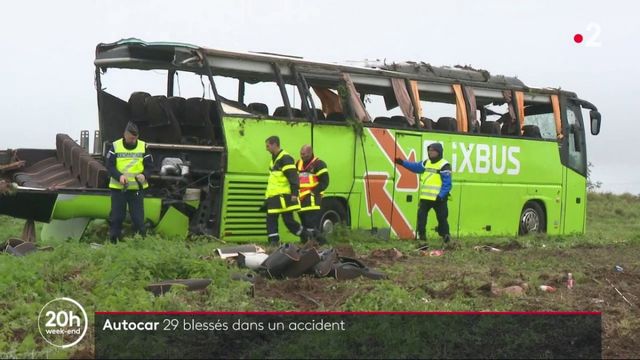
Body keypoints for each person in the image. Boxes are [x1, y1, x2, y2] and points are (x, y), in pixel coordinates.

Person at [395, 142, 452, 246]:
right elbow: (416, 167)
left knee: (442, 218)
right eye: (429, 151)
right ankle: (422, 237)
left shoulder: (445, 165)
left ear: (438, 152)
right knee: (421, 217)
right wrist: (402, 163)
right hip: (425, 198)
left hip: (439, 199)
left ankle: (446, 237)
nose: (430, 153)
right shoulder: (426, 162)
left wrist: (441, 195)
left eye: (432, 151)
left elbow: (447, 184)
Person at [106, 122, 153, 243]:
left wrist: (144, 175)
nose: (133, 140)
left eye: (135, 138)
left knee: (138, 219)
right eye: (131, 138)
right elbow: (109, 166)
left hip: (137, 189)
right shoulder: (115, 146)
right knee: (117, 218)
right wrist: (119, 176)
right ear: (125, 135)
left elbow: (150, 166)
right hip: (119, 189)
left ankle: (140, 243)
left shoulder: (143, 146)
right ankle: (114, 242)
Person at [263, 136, 307, 246]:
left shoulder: (285, 158)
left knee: (289, 222)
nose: (266, 149)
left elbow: (293, 176)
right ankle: (273, 242)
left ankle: (308, 236)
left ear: (274, 145)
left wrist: (294, 194)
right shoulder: (274, 159)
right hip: (274, 197)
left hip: (284, 197)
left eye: (268, 146)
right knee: (271, 219)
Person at [296, 144, 329, 244]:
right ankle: (307, 242)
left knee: (310, 224)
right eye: (301, 154)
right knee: (304, 224)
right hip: (301, 199)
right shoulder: (298, 163)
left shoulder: (319, 164)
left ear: (310, 153)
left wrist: (313, 192)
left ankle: (317, 242)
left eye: (304, 154)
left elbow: (325, 182)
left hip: (313, 199)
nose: (302, 156)